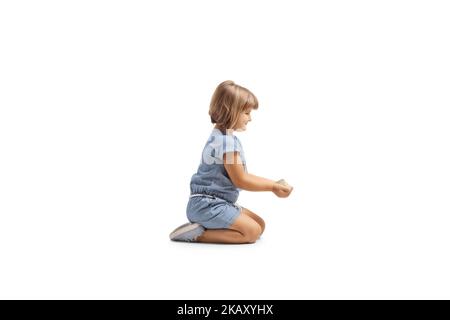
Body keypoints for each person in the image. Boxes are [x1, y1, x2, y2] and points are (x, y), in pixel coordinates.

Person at [169, 80, 293, 244]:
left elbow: (243, 175)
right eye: (247, 113)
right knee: (252, 232)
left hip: (215, 202)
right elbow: (240, 180)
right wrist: (272, 187)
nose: (250, 119)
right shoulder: (226, 142)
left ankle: (205, 226)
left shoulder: (223, 137)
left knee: (260, 225)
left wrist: (274, 183)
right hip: (207, 205)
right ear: (231, 111)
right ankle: (197, 235)